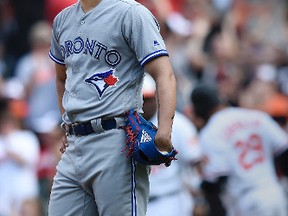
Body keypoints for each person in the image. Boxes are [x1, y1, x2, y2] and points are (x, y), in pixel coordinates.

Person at [48, 0, 177, 215]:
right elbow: (61, 78)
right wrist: (66, 123)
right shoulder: (62, 20)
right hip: (75, 145)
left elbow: (164, 75)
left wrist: (164, 131)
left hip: (115, 139)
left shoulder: (131, 13)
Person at [190, 84, 288, 216]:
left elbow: (216, 180)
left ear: (198, 109)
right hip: (275, 193)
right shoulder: (256, 116)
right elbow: (284, 151)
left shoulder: (210, 132)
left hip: (248, 202)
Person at [141, 74, 206, 216]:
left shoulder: (177, 123)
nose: (142, 103)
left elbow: (197, 163)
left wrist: (199, 199)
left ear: (156, 96)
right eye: (139, 99)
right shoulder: (125, 126)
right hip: (137, 204)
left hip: (170, 200)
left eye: (147, 98)